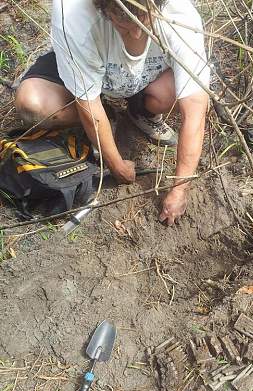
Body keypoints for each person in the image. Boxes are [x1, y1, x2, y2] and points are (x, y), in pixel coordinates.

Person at [15, 0, 210, 225]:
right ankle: (108, 115)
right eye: (124, 23)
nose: (137, 34)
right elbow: (89, 105)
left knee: (186, 88)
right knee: (33, 104)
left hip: (149, 75)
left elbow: (195, 110)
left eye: (145, 21)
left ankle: (144, 111)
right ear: (102, 8)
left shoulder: (180, 16)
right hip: (90, 68)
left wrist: (179, 188)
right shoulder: (73, 15)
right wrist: (116, 165)